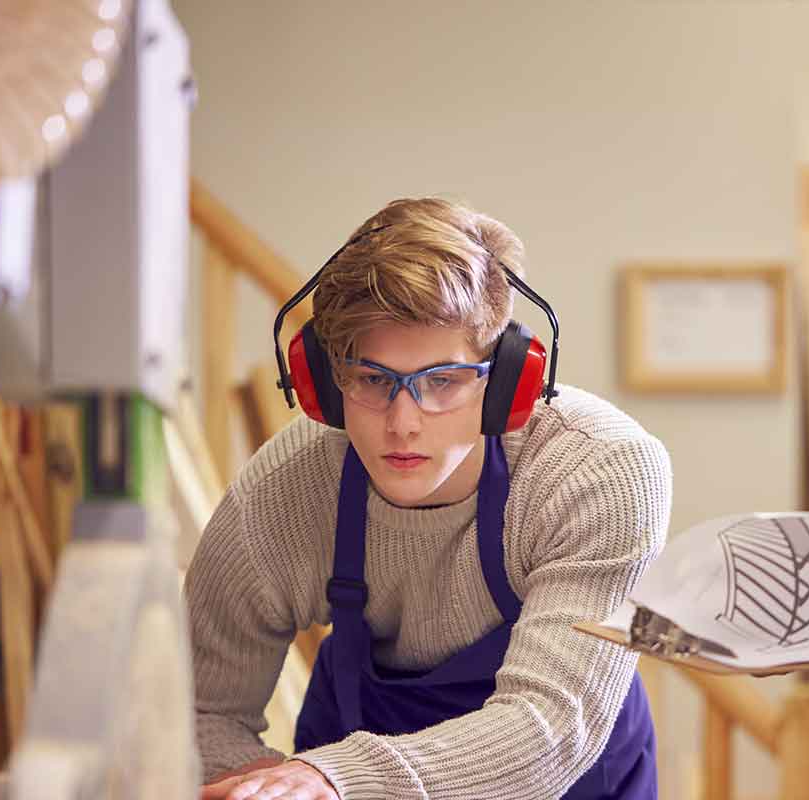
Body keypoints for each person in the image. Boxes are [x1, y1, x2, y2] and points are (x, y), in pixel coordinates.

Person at [186, 197, 670, 800]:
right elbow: (200, 715)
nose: (403, 423)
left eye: (441, 381)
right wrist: (259, 790)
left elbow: (550, 731)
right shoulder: (286, 490)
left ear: (507, 382)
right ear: (324, 384)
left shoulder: (599, 471)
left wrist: (332, 779)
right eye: (372, 379)